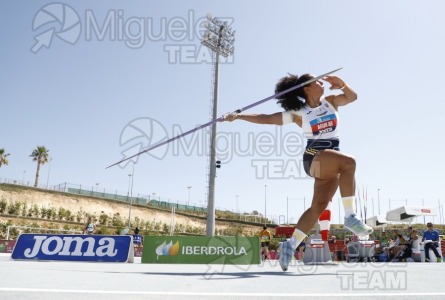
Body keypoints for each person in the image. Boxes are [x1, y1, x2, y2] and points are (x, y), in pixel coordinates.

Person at [223, 72, 373, 271]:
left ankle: (290, 245)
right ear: (306, 88)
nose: (322, 82)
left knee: (317, 207)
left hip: (332, 160)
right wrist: (239, 116)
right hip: (314, 156)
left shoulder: (331, 102)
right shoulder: (298, 112)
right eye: (317, 81)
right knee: (350, 163)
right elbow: (266, 118)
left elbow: (352, 97)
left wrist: (343, 84)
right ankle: (350, 216)